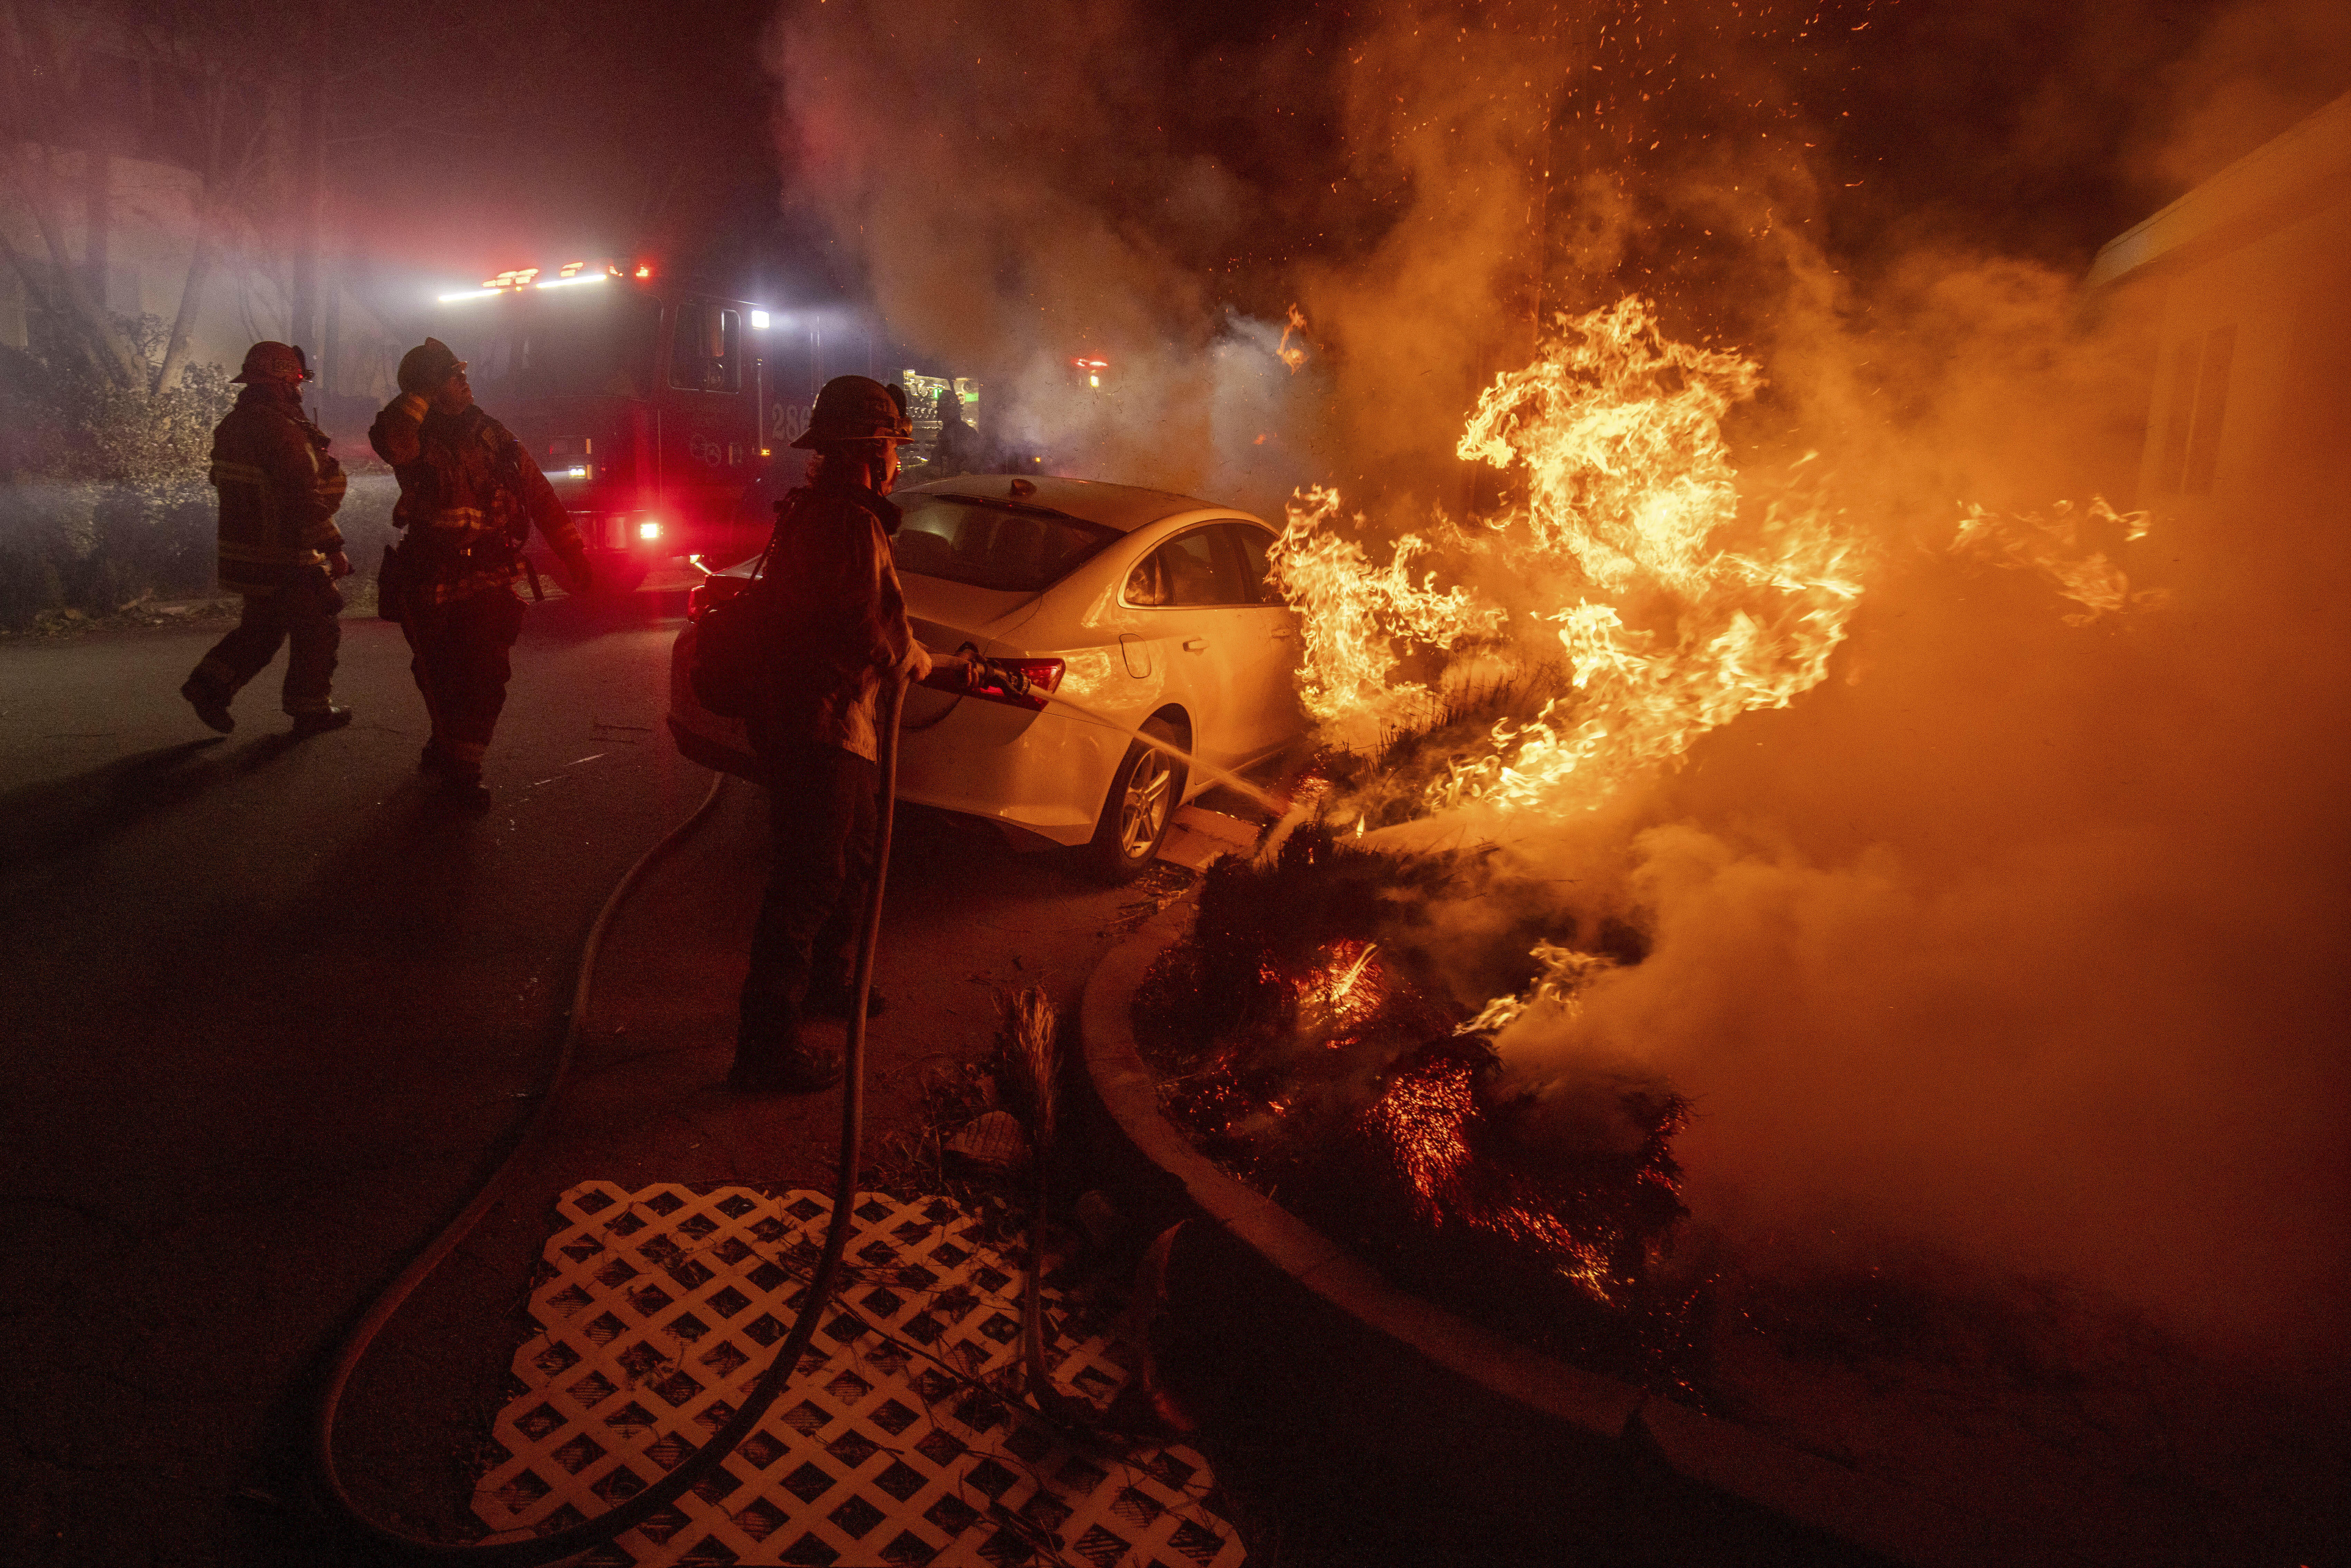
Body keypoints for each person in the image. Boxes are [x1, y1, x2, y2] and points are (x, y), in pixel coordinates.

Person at [730, 374, 971, 1093]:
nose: (900, 460)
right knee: (808, 881)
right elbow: (861, 623)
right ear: (871, 450)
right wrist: (918, 660)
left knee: (855, 857)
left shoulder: (835, 512)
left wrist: (924, 658)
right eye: (894, 446)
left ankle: (829, 983)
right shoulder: (844, 522)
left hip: (841, 723)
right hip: (821, 727)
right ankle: (765, 1047)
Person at [369, 338, 592, 809]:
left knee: (486, 670)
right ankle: (448, 739)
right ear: (430, 386)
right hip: (431, 574)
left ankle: (465, 767)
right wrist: (422, 394)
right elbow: (395, 443)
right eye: (454, 375)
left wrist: (573, 554)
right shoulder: (409, 432)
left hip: (489, 572)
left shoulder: (492, 434)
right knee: (438, 670)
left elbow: (538, 493)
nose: (465, 382)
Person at [180, 341, 353, 736]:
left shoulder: (234, 424)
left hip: (248, 552)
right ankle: (310, 709)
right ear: (280, 381)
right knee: (319, 622)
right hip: (284, 551)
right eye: (295, 380)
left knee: (263, 629)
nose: (298, 389)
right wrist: (335, 549)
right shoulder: (278, 430)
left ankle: (208, 686)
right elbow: (301, 495)